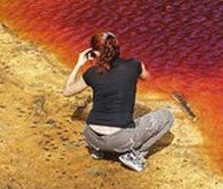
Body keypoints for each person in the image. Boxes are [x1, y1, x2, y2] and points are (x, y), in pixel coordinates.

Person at [63, 32, 174, 172]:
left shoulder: (92, 73)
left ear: (94, 52)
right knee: (168, 116)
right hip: (121, 141)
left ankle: (99, 151)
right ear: (117, 48)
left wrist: (79, 64)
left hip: (91, 137)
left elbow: (67, 91)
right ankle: (134, 155)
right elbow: (147, 77)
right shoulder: (134, 66)